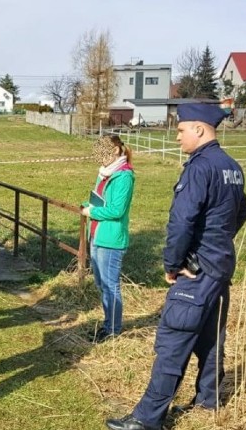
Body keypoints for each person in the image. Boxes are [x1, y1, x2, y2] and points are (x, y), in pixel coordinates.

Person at [106, 103, 246, 430]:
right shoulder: (231, 166)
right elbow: (241, 212)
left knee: (173, 341)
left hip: (196, 272)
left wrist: (174, 263)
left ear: (199, 129)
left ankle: (147, 419)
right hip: (220, 269)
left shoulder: (199, 168)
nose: (177, 135)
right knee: (212, 340)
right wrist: (219, 243)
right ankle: (208, 403)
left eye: (182, 129)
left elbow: (181, 222)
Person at [81, 135, 135, 343]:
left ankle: (112, 329)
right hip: (96, 234)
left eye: (102, 154)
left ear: (114, 151)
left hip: (111, 239)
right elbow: (99, 199)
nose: (100, 159)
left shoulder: (124, 177)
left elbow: (116, 210)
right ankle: (107, 324)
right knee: (101, 284)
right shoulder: (104, 173)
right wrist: (87, 205)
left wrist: (91, 212)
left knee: (110, 285)